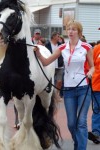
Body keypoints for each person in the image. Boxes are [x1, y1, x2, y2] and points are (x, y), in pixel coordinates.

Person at [34, 20, 94, 150]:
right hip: (68, 90)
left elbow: (93, 67)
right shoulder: (62, 48)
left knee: (81, 122)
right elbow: (45, 62)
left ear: (79, 32)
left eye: (73, 29)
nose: (71, 31)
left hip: (83, 87)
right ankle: (78, 143)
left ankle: (80, 148)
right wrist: (38, 53)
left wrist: (90, 72)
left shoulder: (86, 47)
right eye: (69, 29)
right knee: (72, 124)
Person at [45, 31, 64, 101]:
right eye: (58, 36)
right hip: (50, 66)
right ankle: (50, 96)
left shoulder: (61, 45)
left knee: (59, 81)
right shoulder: (47, 45)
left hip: (59, 65)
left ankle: (57, 94)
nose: (59, 37)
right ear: (53, 37)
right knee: (50, 82)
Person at [88, 40, 100, 144]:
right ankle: (96, 133)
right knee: (97, 109)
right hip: (97, 85)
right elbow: (90, 65)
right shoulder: (96, 49)